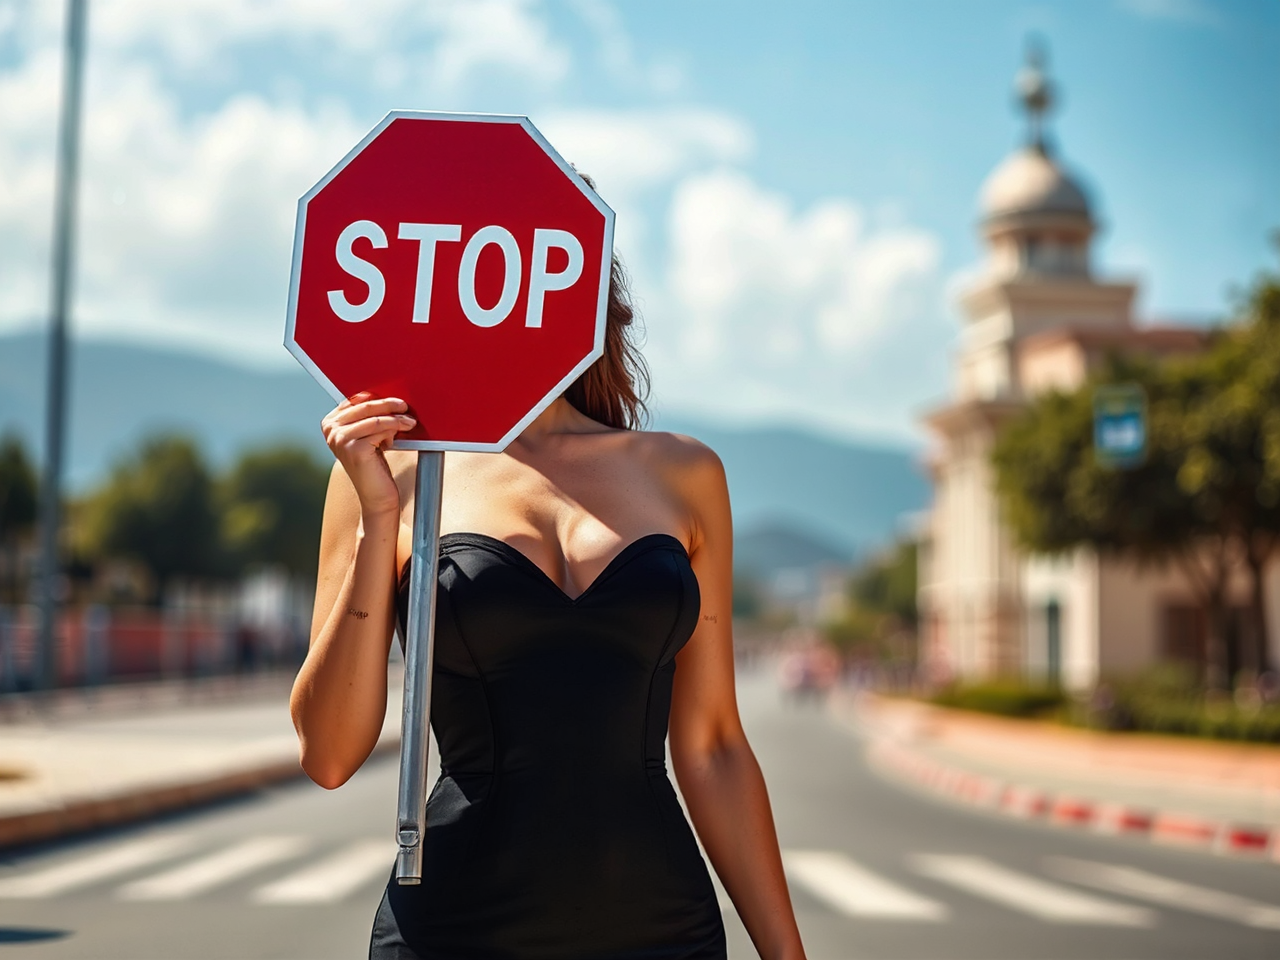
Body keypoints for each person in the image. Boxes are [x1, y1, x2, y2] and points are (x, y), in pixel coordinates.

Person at [289, 253, 807, 960]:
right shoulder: (394, 472)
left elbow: (713, 745)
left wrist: (787, 954)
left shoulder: (683, 473)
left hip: (661, 929)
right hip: (455, 931)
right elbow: (329, 753)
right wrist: (379, 516)